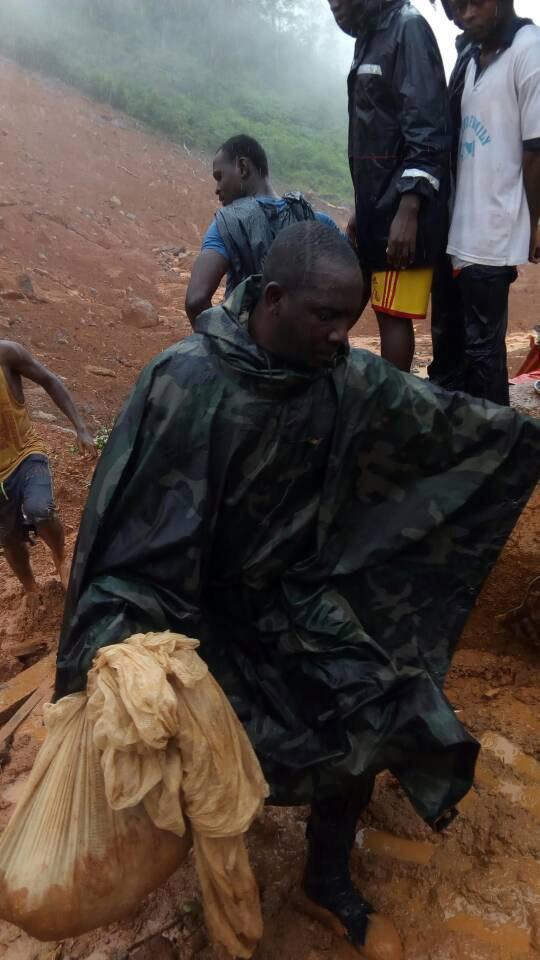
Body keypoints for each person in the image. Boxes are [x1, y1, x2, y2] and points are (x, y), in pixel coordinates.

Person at [55, 223, 539, 958]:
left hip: (293, 601)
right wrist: (119, 648)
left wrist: (527, 431)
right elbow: (123, 534)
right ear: (272, 299)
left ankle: (325, 877)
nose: (343, 337)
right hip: (187, 616)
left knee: (375, 700)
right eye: (326, 318)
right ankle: (204, 859)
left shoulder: (338, 375)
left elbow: (444, 422)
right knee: (175, 739)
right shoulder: (184, 385)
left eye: (350, 321)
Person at [328, 0, 451, 372]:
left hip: (404, 213)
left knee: (391, 316)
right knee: (340, 307)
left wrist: (409, 208)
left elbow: (427, 125)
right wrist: (361, 209)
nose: (333, 6)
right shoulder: (370, 35)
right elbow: (374, 138)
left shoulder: (408, 29)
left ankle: (392, 415)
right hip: (375, 209)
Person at [444, 0, 540, 405]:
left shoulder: (528, 49)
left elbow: (536, 151)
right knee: (462, 348)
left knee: (483, 351)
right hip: (459, 228)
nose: (466, 14)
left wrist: (536, 222)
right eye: (458, 5)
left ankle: (498, 451)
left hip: (495, 225)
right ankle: (476, 442)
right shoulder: (470, 58)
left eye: (474, 3)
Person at [185, 134, 338, 325]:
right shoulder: (318, 222)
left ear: (242, 167)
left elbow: (196, 301)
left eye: (219, 176)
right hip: (304, 348)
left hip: (247, 349)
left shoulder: (227, 224)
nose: (217, 188)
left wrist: (229, 345)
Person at [0, 340, 95, 596]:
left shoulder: (6, 354)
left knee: (40, 509)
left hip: (26, 454)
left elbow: (50, 380)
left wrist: (81, 428)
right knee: (8, 540)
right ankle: (30, 588)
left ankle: (61, 556)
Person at [428, 0, 476, 389]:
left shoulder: (505, 52)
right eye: (447, 7)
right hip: (451, 204)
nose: (453, 14)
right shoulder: (466, 53)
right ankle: (448, 392)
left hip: (478, 208)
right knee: (447, 308)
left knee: (474, 322)